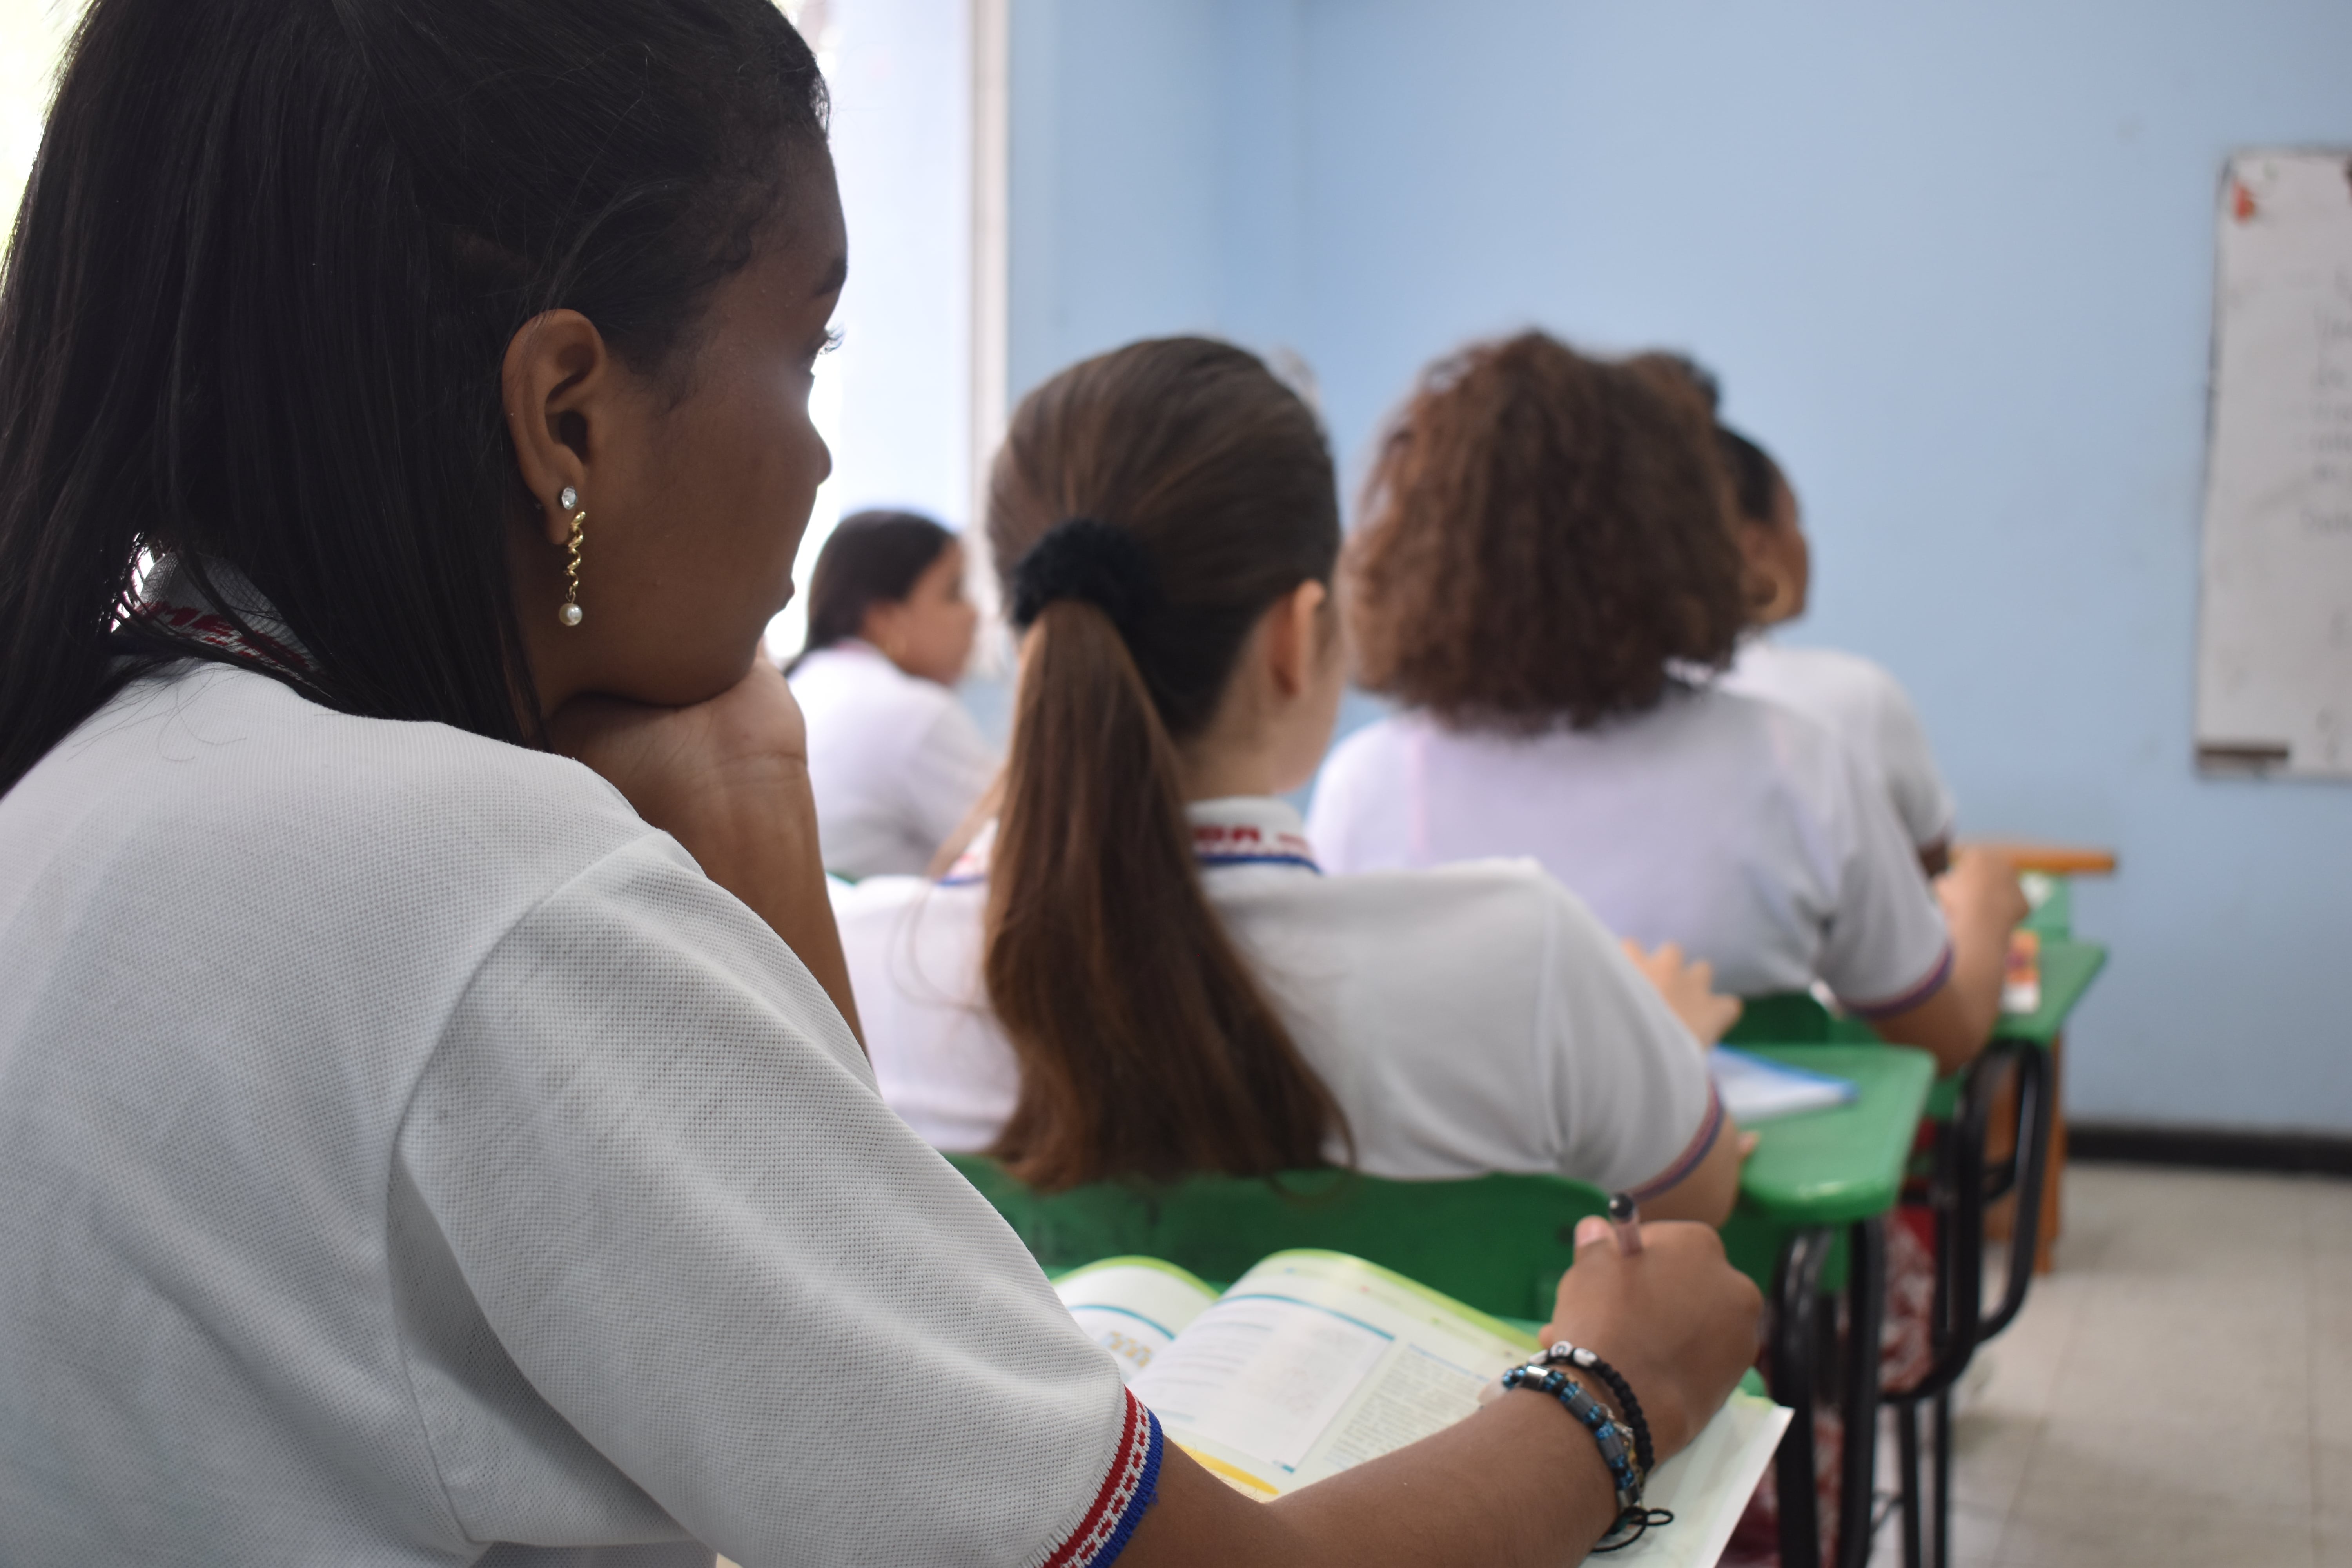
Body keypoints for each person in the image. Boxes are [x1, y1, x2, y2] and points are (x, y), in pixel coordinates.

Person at [0, 4, 1761, 1566]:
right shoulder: (497, 904)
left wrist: (759, 793)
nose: (828, 450)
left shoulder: (86, 784)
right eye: (810, 349)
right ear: (566, 417)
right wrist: (1612, 1390)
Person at [835, 337, 1746, 1223]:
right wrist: (1656, 1044)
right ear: (1294, 635)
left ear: (1027, 629)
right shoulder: (1529, 961)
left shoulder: (857, 974)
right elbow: (1694, 1207)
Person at [1309, 333, 2025, 1075]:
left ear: (1419, 548)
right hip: (1732, 1183)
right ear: (1688, 535)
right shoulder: (1793, 762)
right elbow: (1941, 1040)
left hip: (1470, 1192)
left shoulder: (1370, 785)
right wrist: (1983, 916)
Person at [1711, 419, 1960, 876]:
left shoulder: (1587, 713)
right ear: (1756, 547)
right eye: (1795, 521)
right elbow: (1929, 872)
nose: (1804, 544)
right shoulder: (1855, 698)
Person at [786, 508, 996, 878]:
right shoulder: (917, 716)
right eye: (954, 592)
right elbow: (1036, 856)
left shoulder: (800, 685)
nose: (974, 614)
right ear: (884, 619)